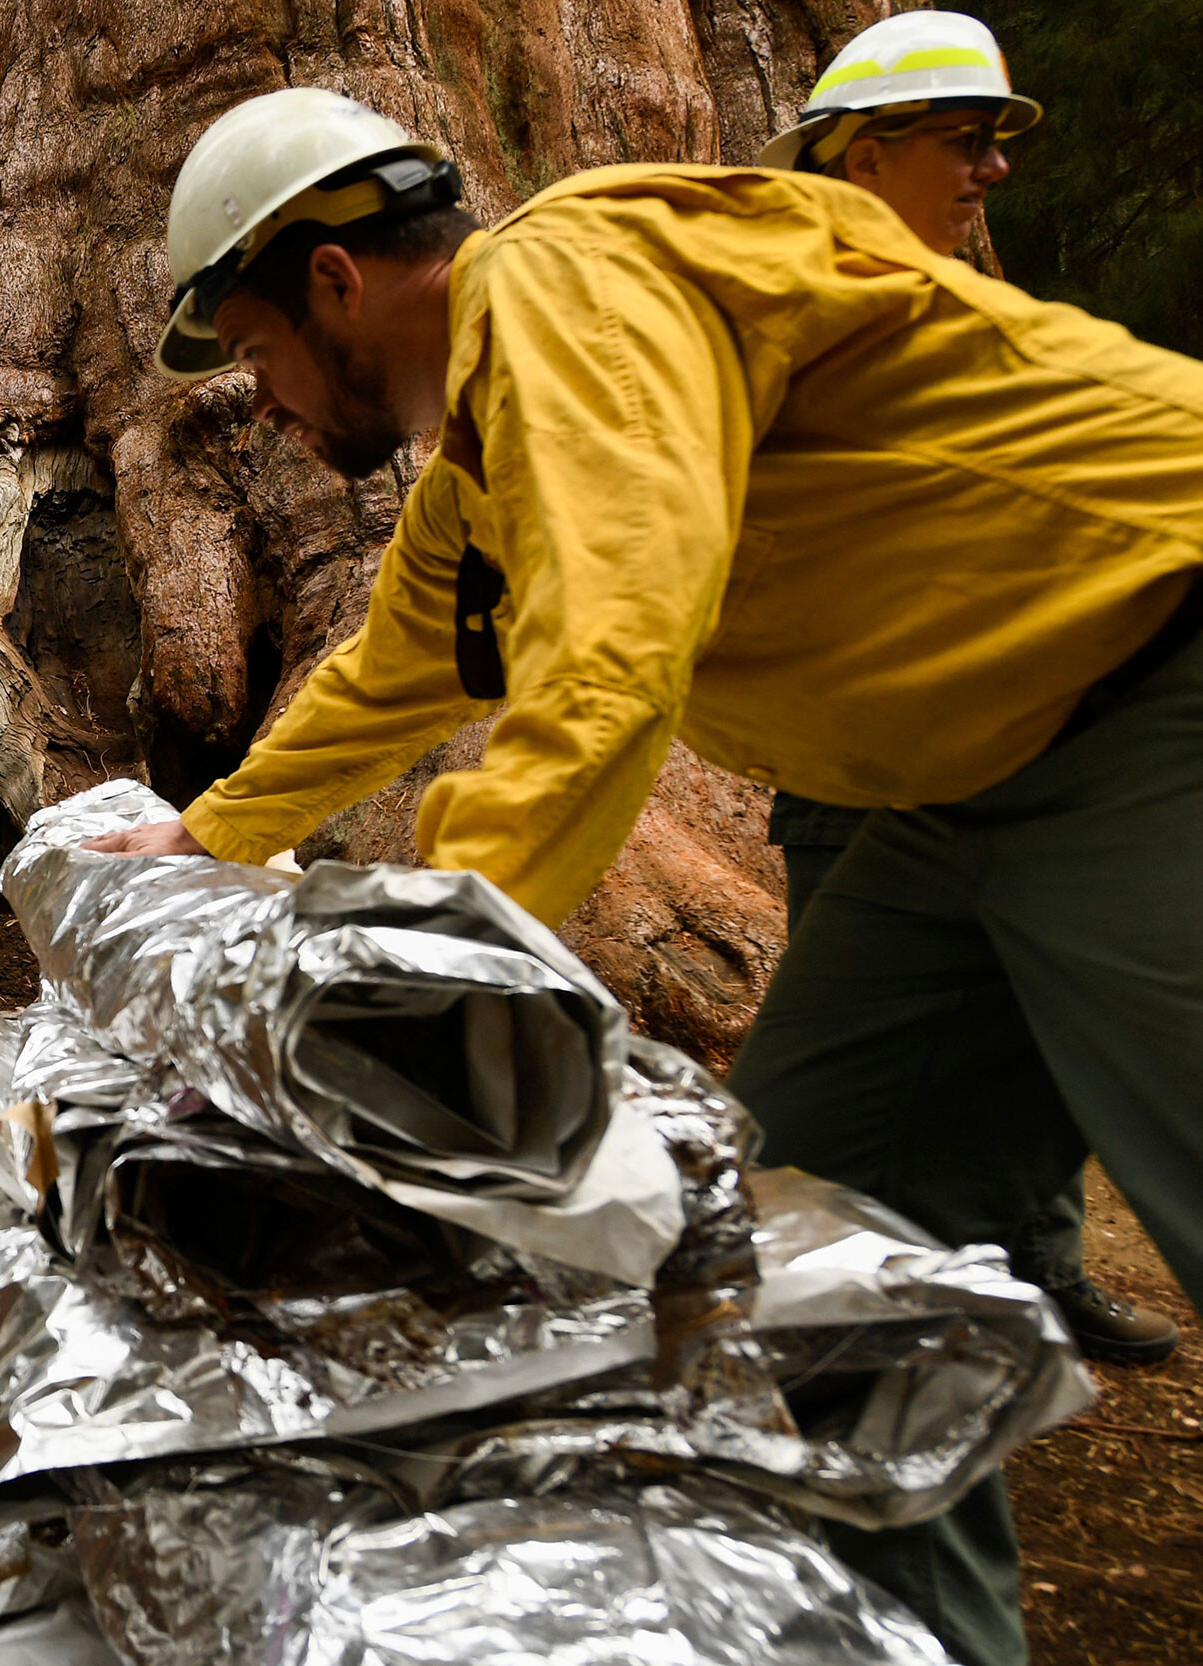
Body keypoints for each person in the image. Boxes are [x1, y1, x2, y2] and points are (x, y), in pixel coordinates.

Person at [92, 86, 1203, 1666]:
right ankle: (915, 1638)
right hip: (964, 775)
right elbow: (393, 669)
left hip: (1158, 657)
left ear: (333, 282)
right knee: (823, 1236)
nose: (264, 403)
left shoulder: (562, 287)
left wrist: (430, 982)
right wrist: (212, 836)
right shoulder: (482, 445)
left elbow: (612, 654)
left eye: (257, 354)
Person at [751, 12, 1177, 1369]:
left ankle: (1024, 1267)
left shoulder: (941, 297)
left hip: (1081, 731)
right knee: (878, 1096)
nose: (993, 170)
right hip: (866, 765)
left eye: (997, 143)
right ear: (859, 153)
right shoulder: (774, 290)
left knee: (1015, 1043)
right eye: (964, 138)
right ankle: (958, 1297)